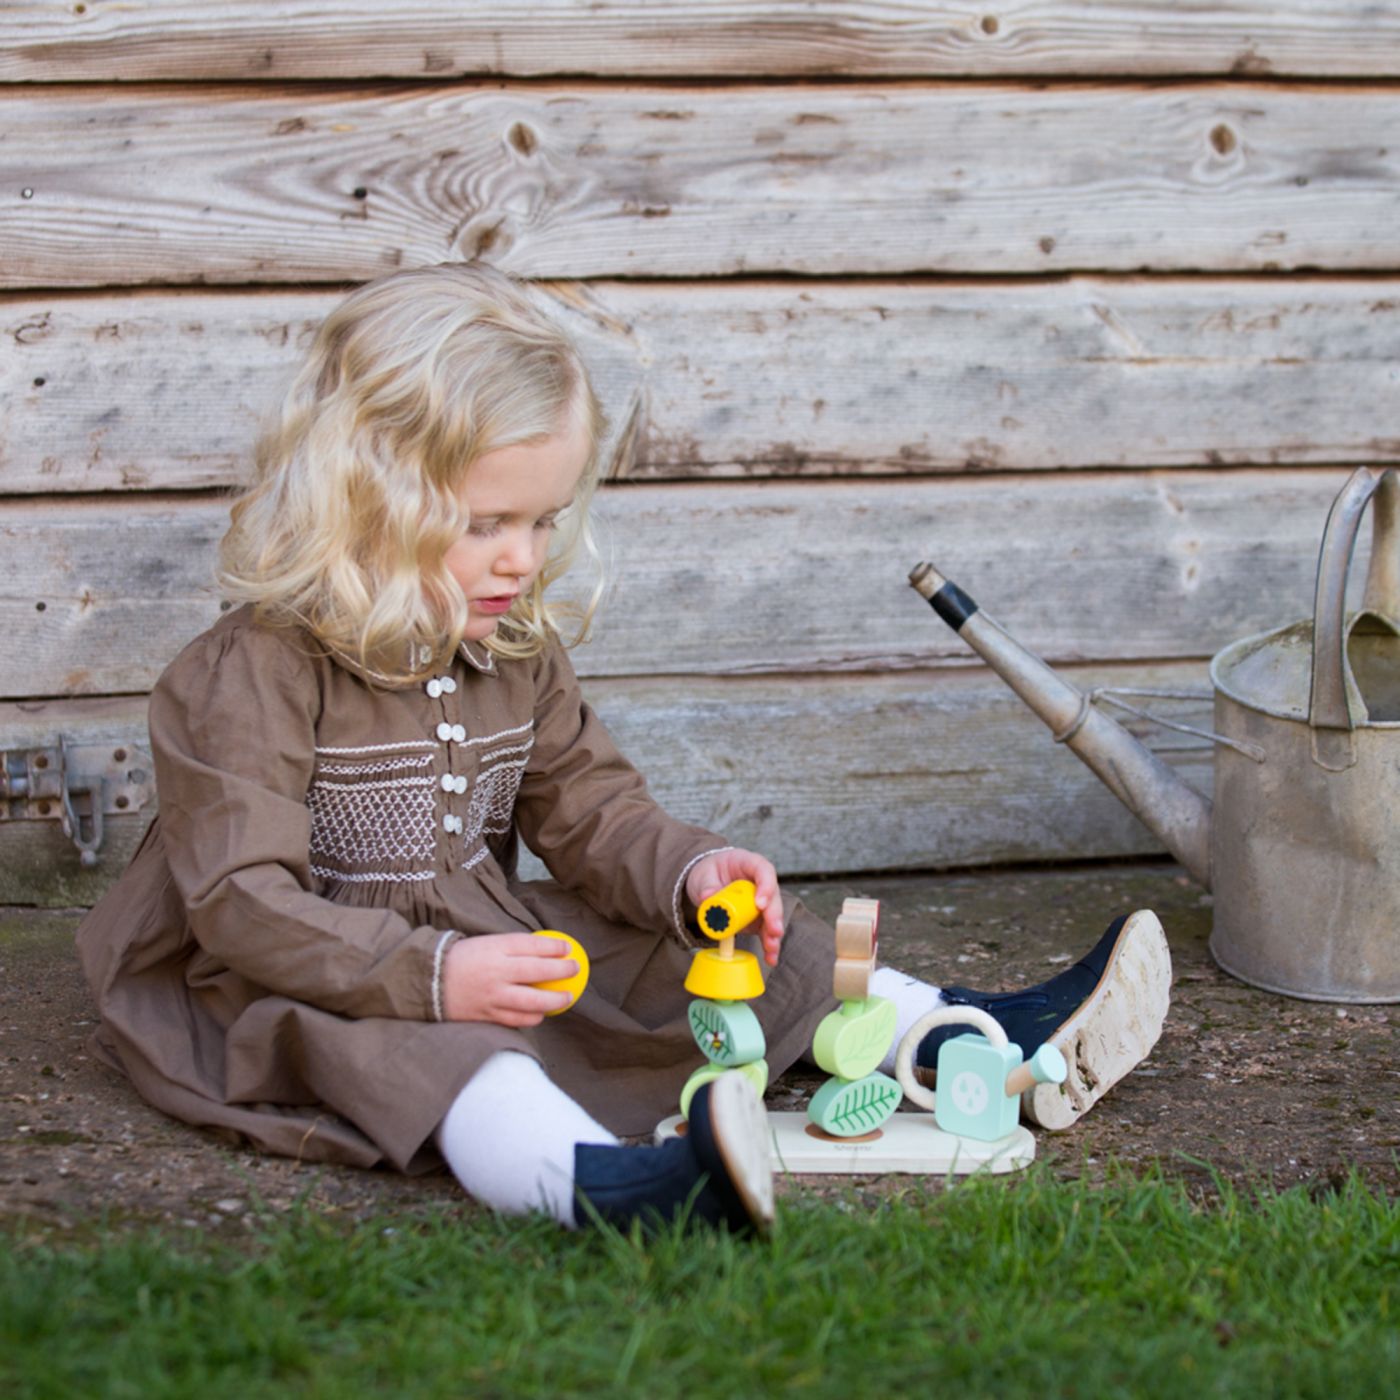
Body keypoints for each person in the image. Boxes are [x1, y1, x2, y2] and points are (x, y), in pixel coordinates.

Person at [75, 264, 1171, 1238]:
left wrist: (689, 871)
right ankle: (607, 1181)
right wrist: (432, 974)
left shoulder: (508, 644)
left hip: (472, 940)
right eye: (484, 523)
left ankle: (962, 1039)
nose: (520, 557)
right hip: (297, 976)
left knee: (694, 948)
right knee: (444, 1055)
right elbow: (240, 900)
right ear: (365, 501)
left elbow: (590, 811)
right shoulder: (255, 671)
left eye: (543, 521)